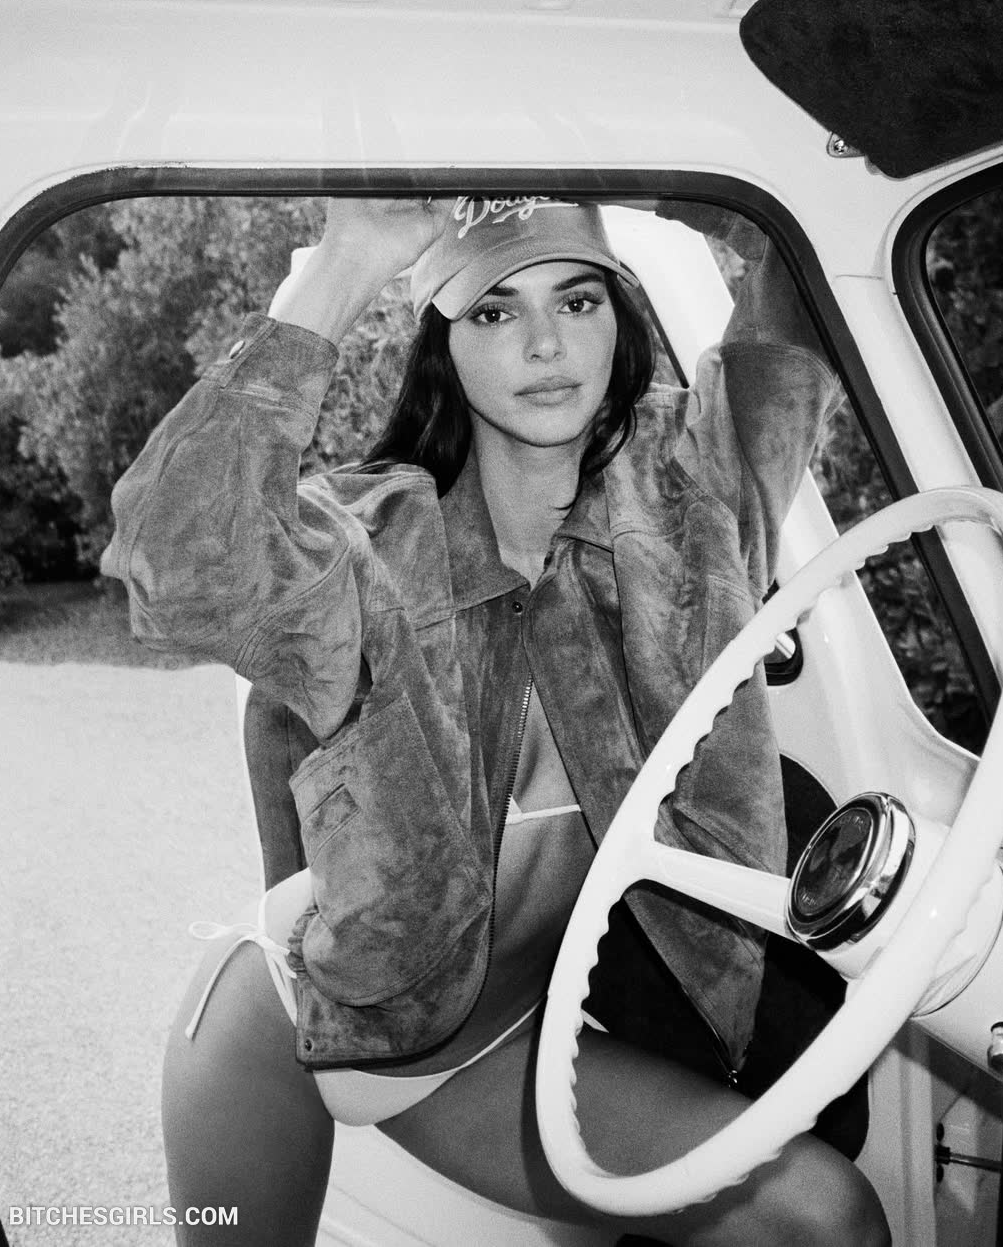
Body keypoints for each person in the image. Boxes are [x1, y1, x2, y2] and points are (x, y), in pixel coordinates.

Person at [101, 196, 890, 1246]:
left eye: (578, 299)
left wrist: (668, 180)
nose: (546, 343)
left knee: (826, 1217)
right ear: (444, 343)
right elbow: (178, 555)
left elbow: (798, 299)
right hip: (300, 1017)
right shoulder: (372, 545)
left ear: (619, 319)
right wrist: (351, 257)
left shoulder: (692, 507)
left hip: (516, 1034)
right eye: (494, 312)